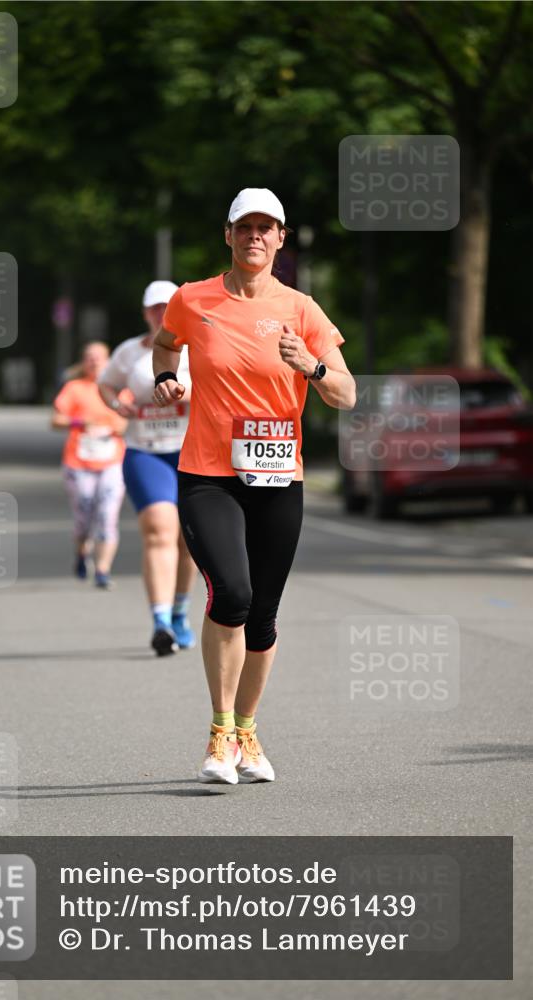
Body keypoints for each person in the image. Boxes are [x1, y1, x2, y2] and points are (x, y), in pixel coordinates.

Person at [152, 188, 356, 782]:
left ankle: (246, 731)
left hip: (278, 474)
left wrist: (311, 366)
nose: (255, 237)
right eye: (245, 227)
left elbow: (346, 394)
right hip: (208, 474)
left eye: (267, 228)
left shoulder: (301, 310)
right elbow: (166, 344)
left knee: (263, 614)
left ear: (281, 239)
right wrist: (166, 377)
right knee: (232, 595)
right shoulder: (193, 299)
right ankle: (219, 735)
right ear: (229, 234)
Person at [99, 281, 197, 656]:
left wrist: (184, 393)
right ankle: (160, 622)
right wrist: (117, 405)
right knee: (159, 530)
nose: (161, 313)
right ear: (145, 313)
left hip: (192, 451)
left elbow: (219, 385)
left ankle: (179, 611)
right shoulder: (129, 352)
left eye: (167, 306)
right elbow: (106, 385)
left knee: (188, 541)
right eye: (155, 308)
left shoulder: (196, 346)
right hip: (146, 452)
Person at [52, 341, 127, 588]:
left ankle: (103, 569)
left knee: (107, 514)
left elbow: (130, 419)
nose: (94, 361)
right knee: (84, 516)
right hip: (79, 462)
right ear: (83, 362)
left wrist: (116, 427)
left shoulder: (120, 388)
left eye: (98, 357)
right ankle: (82, 552)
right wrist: (80, 423)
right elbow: (56, 420)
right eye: (89, 357)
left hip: (112, 462)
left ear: (108, 361)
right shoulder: (74, 388)